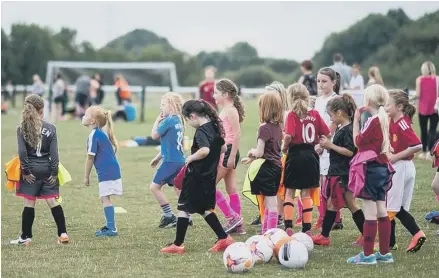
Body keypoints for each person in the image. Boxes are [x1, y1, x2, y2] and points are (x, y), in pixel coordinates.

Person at [160, 100, 234, 254]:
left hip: (196, 176)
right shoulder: (215, 126)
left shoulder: (201, 131)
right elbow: (223, 148)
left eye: (187, 120)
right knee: (203, 208)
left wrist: (191, 158)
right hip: (208, 176)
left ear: (193, 116)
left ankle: (178, 245)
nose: (188, 123)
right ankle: (224, 238)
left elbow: (205, 150)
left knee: (183, 207)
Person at [10, 94, 69, 246]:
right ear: (41, 111)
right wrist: (54, 172)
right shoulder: (51, 128)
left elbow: (22, 152)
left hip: (31, 170)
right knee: (52, 201)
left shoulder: (21, 128)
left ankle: (26, 238)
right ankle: (63, 234)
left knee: (29, 203)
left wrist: (26, 171)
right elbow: (55, 154)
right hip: (47, 168)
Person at [347, 84, 394, 265]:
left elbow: (358, 141)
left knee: (369, 212)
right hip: (383, 168)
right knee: (381, 209)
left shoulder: (372, 120)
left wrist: (356, 120)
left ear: (368, 100)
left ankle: (367, 255)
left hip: (371, 168)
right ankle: (384, 252)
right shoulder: (383, 119)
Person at [312, 94, 366, 246]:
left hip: (341, 173)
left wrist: (330, 146)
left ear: (339, 113)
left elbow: (350, 151)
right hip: (339, 171)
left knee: (332, 203)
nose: (330, 119)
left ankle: (324, 236)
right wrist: (328, 147)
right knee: (350, 203)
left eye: (330, 116)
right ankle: (366, 235)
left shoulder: (348, 130)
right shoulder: (343, 128)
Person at [282, 83, 331, 236]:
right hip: (311, 156)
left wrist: (284, 147)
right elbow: (327, 133)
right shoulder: (314, 114)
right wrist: (319, 146)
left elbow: (289, 136)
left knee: (289, 191)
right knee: (306, 194)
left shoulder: (291, 114)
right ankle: (307, 229)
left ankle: (288, 227)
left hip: (295, 155)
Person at [385, 89, 426, 252]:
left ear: (400, 106)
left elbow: (417, 145)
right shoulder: (392, 120)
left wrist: (395, 156)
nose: (386, 107)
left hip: (401, 167)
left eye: (388, 105)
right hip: (402, 167)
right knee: (397, 207)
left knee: (391, 207)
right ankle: (390, 243)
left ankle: (417, 233)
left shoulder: (402, 122)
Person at [242, 92, 283, 234]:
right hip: (277, 168)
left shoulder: (263, 128)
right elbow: (271, 149)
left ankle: (270, 233)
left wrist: (251, 152)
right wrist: (251, 159)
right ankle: (266, 231)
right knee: (269, 202)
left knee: (270, 204)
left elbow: (260, 152)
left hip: (266, 169)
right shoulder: (278, 127)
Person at [82, 106, 122, 237]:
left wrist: (86, 176)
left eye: (86, 115)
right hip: (110, 169)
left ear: (93, 121)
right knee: (104, 198)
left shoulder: (94, 134)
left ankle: (111, 228)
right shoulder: (99, 133)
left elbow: (90, 157)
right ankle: (110, 226)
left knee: (105, 198)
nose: (83, 116)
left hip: (107, 171)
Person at [212, 78, 246, 234]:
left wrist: (231, 156)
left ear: (225, 94)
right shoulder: (225, 109)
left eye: (216, 93)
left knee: (209, 185)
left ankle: (232, 217)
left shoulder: (231, 110)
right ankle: (237, 226)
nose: (213, 96)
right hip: (226, 151)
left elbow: (237, 134)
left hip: (229, 152)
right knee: (231, 188)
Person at [150, 93, 186, 228]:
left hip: (170, 161)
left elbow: (154, 135)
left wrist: (156, 121)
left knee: (154, 187)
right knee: (178, 188)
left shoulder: (168, 120)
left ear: (171, 105)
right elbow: (172, 144)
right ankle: (186, 216)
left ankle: (169, 216)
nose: (161, 107)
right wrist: (158, 158)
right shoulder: (178, 120)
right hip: (179, 160)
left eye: (163, 104)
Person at [314, 67, 343, 230]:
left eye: (324, 81)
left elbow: (334, 123)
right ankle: (324, 216)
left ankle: (334, 218)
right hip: (319, 145)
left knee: (329, 184)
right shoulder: (318, 100)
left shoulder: (336, 99)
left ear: (333, 82)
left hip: (330, 145)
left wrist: (324, 142)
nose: (321, 84)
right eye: (318, 81)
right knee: (319, 183)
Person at [413, 61, 438, 160]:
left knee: (423, 130)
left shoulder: (419, 79)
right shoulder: (437, 79)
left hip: (423, 109)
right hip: (435, 109)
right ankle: (430, 152)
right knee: (432, 130)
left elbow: (418, 95)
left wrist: (410, 98)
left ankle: (424, 151)